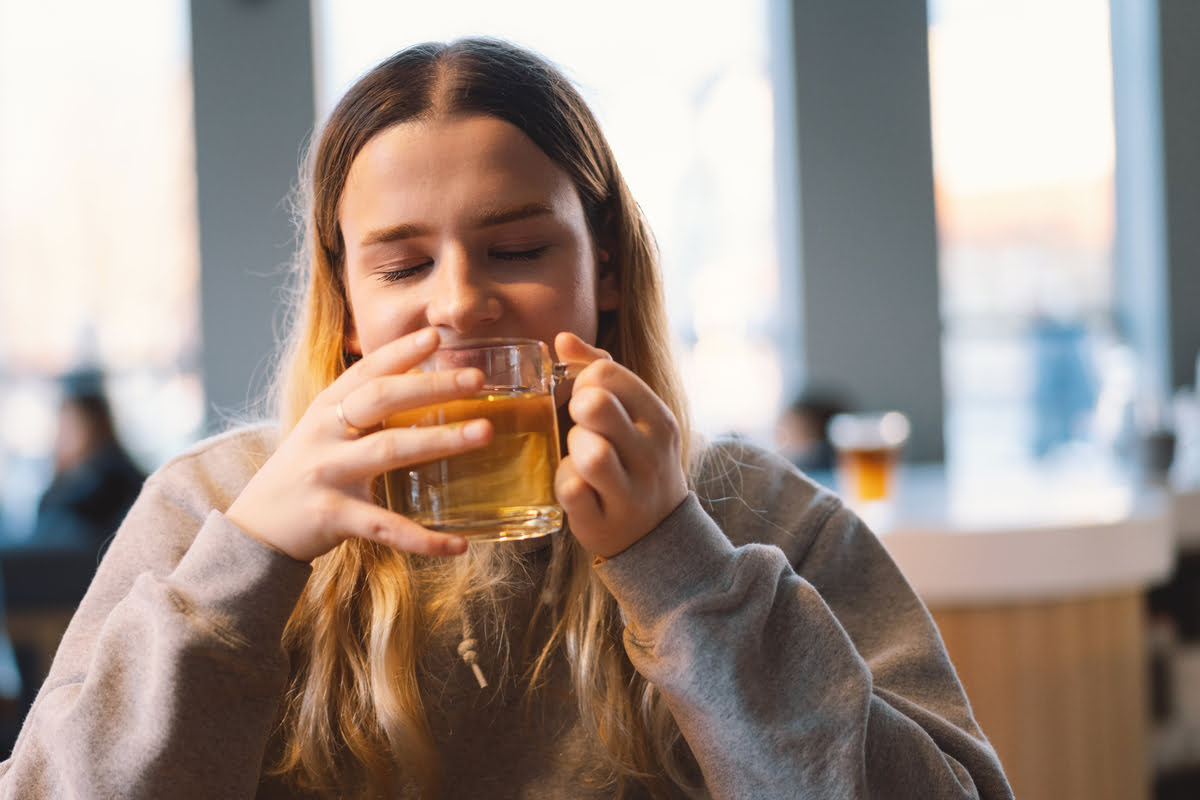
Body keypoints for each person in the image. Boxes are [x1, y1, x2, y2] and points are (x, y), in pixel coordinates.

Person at [0, 38, 1012, 799]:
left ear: (602, 266)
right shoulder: (217, 505)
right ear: (348, 307)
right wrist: (251, 563)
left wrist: (681, 567)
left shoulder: (755, 515)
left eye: (519, 249)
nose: (458, 302)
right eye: (402, 265)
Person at [32, 369, 146, 552]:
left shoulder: (115, 481)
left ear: (94, 425)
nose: (61, 435)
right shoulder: (61, 485)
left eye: (69, 425)